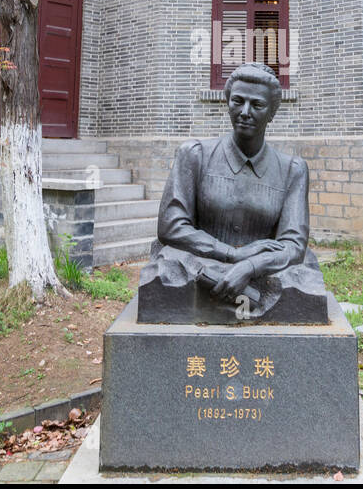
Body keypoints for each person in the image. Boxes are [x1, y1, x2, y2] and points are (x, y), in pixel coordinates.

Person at [137, 61, 328, 323]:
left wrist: (249, 267)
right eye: (237, 101)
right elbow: (171, 226)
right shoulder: (195, 155)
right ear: (227, 102)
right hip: (202, 264)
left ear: (272, 112)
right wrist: (232, 254)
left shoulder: (292, 170)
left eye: (257, 105)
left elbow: (294, 245)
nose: (245, 112)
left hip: (262, 273)